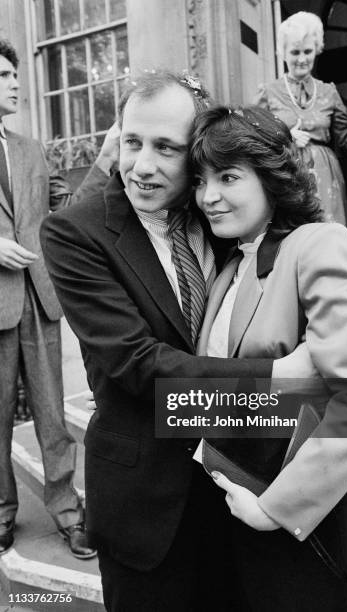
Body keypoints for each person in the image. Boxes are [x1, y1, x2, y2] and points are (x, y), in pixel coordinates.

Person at [40, 70, 316, 611]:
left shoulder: (221, 212)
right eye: (131, 141)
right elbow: (138, 366)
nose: (142, 166)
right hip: (146, 506)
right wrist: (282, 391)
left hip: (237, 493)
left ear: (197, 155)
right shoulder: (75, 232)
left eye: (166, 148)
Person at [190, 105, 347, 611]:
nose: (209, 196)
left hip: (324, 510)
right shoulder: (227, 271)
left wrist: (274, 509)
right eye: (201, 180)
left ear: (272, 176)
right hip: (246, 502)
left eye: (228, 177)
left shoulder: (316, 244)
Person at [0, 39, 95, 559]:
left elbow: (68, 210)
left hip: (39, 298)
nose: (15, 83)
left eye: (14, 74)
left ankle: (67, 512)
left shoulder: (31, 148)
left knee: (52, 414)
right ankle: (1, 513)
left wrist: (104, 166)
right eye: (3, 75)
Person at [253, 11, 347, 226]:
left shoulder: (328, 91)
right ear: (282, 53)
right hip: (285, 172)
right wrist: (285, 136)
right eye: (294, 52)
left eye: (307, 51)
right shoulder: (268, 92)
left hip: (325, 175)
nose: (302, 59)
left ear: (317, 50)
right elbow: (252, 136)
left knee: (326, 233)